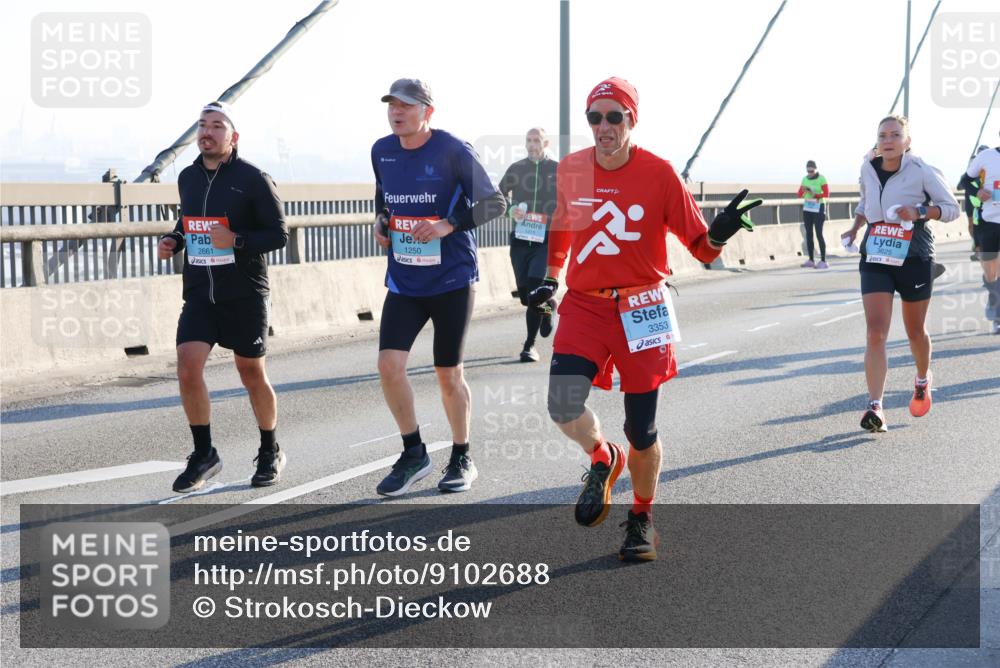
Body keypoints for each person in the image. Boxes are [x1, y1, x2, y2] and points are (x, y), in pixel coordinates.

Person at [528, 78, 759, 561]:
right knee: (562, 404)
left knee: (642, 430)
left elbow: (700, 247)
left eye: (615, 117)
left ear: (633, 120)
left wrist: (720, 232)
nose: (604, 127)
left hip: (641, 306)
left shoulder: (659, 173)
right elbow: (562, 231)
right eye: (595, 118)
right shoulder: (572, 168)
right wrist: (550, 281)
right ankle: (601, 456)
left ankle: (641, 517)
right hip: (586, 303)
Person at [371, 79, 507, 497]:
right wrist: (381, 223)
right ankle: (414, 452)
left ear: (428, 111)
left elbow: (495, 202)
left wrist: (448, 225)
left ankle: (461, 455)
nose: (397, 111)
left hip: (451, 279)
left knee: (448, 373)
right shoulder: (382, 150)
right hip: (406, 279)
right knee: (389, 366)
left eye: (407, 105)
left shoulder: (452, 149)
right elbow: (384, 199)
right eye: (392, 104)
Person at [157, 101, 289, 492]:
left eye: (217, 126)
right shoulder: (187, 177)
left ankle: (270, 449)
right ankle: (204, 454)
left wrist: (237, 241)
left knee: (251, 373)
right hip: (200, 291)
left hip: (244, 292)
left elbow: (278, 234)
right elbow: (188, 219)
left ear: (233, 137)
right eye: (202, 125)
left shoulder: (253, 178)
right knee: (187, 365)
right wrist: (174, 238)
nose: (207, 133)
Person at [840, 115, 959, 433]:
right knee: (875, 332)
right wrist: (854, 229)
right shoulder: (867, 166)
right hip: (876, 253)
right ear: (876, 140)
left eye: (895, 135)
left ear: (907, 142)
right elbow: (866, 201)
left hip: (915, 254)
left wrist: (920, 211)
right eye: (882, 135)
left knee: (914, 331)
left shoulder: (922, 170)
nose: (888, 140)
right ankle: (875, 407)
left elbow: (951, 208)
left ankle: (922, 378)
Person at [498, 128, 559, 362]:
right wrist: (511, 210)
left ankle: (529, 345)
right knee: (525, 296)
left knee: (534, 288)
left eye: (536, 141)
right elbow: (498, 196)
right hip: (521, 241)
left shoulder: (557, 169)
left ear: (546, 142)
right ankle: (548, 306)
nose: (532, 145)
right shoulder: (517, 168)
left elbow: (572, 200)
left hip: (546, 239)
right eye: (529, 140)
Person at [965, 136, 1000, 334]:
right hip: (982, 228)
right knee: (990, 271)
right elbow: (970, 208)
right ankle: (992, 296)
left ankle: (996, 311)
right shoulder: (978, 181)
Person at [959, 145, 990, 261]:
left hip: (988, 203)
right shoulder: (973, 168)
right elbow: (962, 183)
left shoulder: (992, 167)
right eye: (980, 154)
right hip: (973, 203)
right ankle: (978, 248)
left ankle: (983, 249)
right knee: (975, 226)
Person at [798, 159, 830, 269]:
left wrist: (815, 194)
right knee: (809, 234)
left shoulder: (822, 178)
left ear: (816, 169)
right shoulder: (804, 179)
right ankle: (811, 260)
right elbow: (799, 194)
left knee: (819, 234)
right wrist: (805, 191)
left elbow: (826, 193)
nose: (810, 173)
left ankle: (823, 261)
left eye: (812, 171)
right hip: (807, 208)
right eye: (808, 171)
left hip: (819, 207)